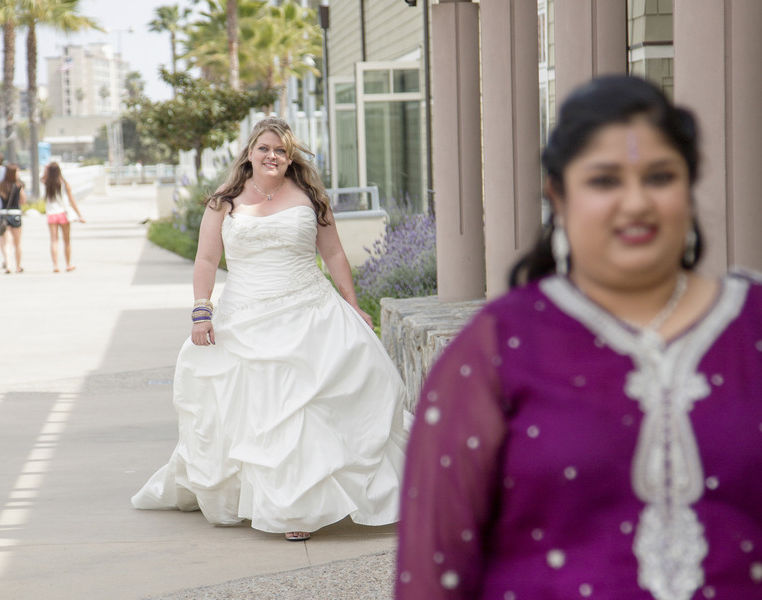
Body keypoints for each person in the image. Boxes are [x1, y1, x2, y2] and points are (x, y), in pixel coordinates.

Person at [395, 76, 762, 599]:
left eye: (660, 176)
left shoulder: (753, 328)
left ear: (689, 184)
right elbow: (433, 573)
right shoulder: (496, 350)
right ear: (559, 194)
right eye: (605, 181)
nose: (635, 202)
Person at [132, 117, 410, 542]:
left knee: (306, 407)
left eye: (281, 150)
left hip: (311, 313)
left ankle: (297, 507)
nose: (272, 156)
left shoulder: (311, 197)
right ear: (249, 152)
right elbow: (206, 260)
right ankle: (270, 498)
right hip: (245, 316)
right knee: (259, 411)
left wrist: (353, 305)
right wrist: (201, 311)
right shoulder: (223, 202)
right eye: (264, 148)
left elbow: (334, 253)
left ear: (291, 155)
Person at [41, 161, 84, 272]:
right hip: (63, 214)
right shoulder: (65, 184)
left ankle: (55, 265)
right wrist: (79, 215)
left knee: (54, 241)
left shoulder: (47, 183)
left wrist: (46, 170)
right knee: (66, 241)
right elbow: (72, 201)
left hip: (51, 215)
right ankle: (68, 264)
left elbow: (42, 177)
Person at [0, 164, 26, 273]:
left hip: (4, 214)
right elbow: (23, 200)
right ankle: (18, 266)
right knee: (17, 243)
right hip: (16, 214)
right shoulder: (18, 185)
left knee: (7, 242)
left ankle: (8, 265)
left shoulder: (1, 185)